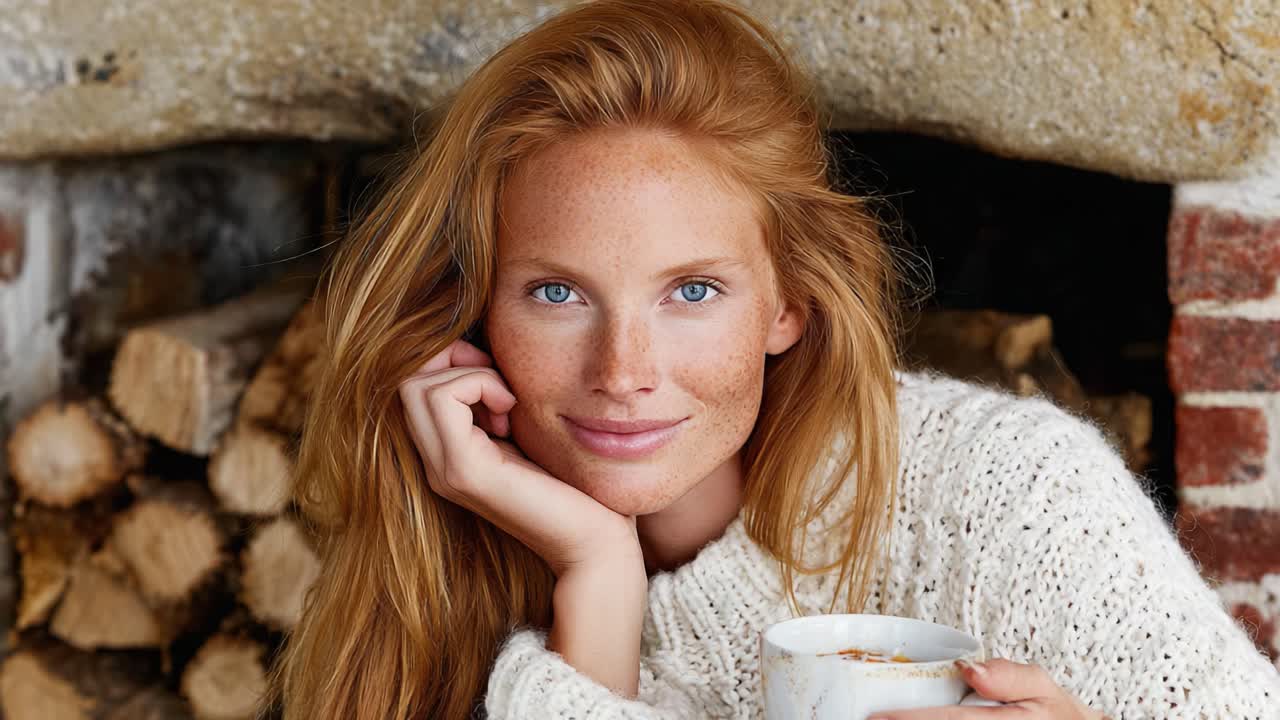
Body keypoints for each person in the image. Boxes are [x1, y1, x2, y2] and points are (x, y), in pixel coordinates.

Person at [263, 1, 1280, 718]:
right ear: (476, 309)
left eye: (691, 292)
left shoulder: (999, 492)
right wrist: (596, 577)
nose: (623, 370)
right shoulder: (434, 559)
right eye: (557, 293)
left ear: (788, 303)